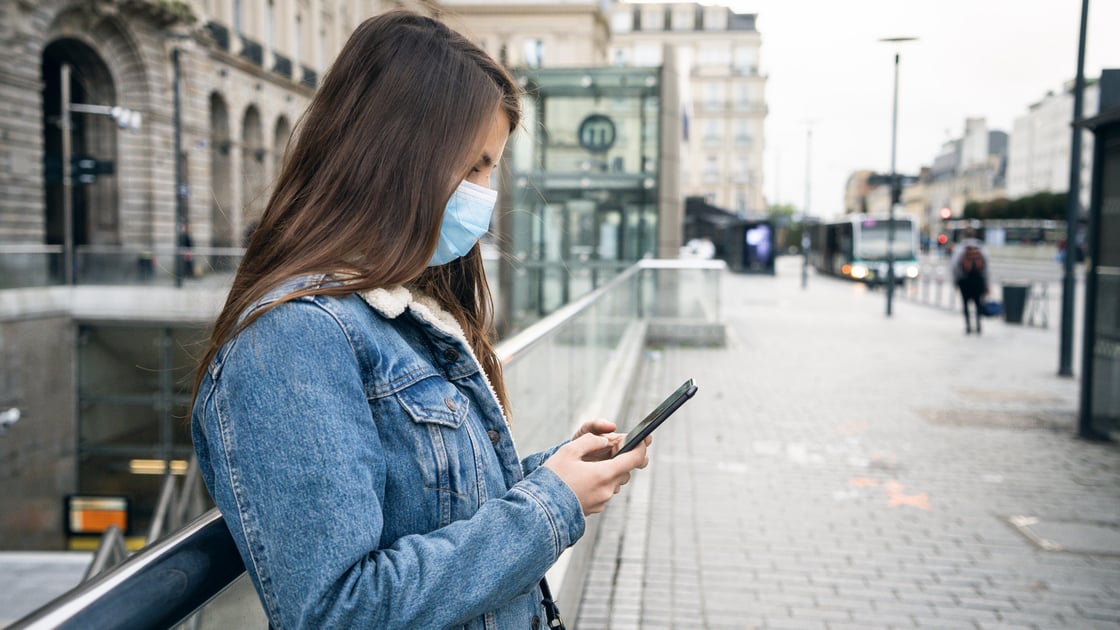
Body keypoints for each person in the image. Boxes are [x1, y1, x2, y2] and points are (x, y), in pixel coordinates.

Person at [190, 11, 650, 629]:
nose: (488, 192)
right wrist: (549, 506)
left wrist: (555, 471)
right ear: (401, 155)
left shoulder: (395, 305)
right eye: (477, 165)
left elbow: (431, 506)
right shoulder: (293, 337)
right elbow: (339, 611)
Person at [950, 227, 990, 335]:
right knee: (978, 304)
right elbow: (986, 267)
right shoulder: (981, 247)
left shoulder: (960, 247)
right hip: (978, 280)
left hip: (965, 281)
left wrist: (956, 280)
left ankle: (968, 326)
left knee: (965, 304)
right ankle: (978, 326)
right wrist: (986, 283)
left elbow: (954, 266)